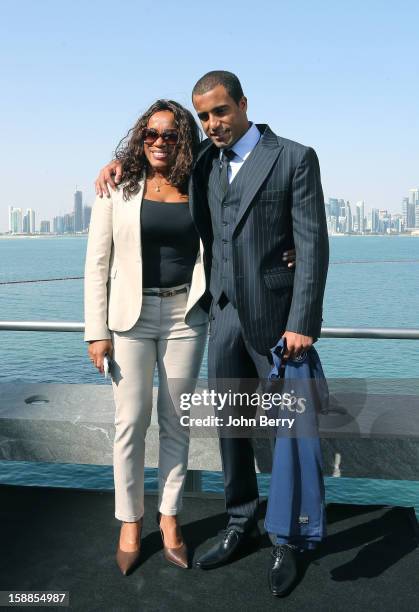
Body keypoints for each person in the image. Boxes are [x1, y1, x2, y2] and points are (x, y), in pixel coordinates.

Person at [95, 70, 329, 597]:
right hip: (219, 319)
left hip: (277, 324)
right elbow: (154, 163)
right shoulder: (201, 161)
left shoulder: (294, 156)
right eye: (203, 117)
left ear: (243, 104)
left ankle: (288, 539)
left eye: (220, 111)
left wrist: (302, 321)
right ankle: (240, 521)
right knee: (230, 431)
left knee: (287, 432)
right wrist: (113, 164)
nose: (212, 123)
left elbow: (313, 244)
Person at [84, 99, 210, 575]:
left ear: (184, 140)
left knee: (177, 421)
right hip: (129, 320)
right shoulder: (118, 185)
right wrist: (96, 332)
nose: (160, 142)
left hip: (186, 314)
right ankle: (130, 522)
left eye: (171, 135)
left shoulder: (200, 183)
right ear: (141, 137)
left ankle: (171, 518)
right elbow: (97, 264)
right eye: (151, 134)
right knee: (130, 422)